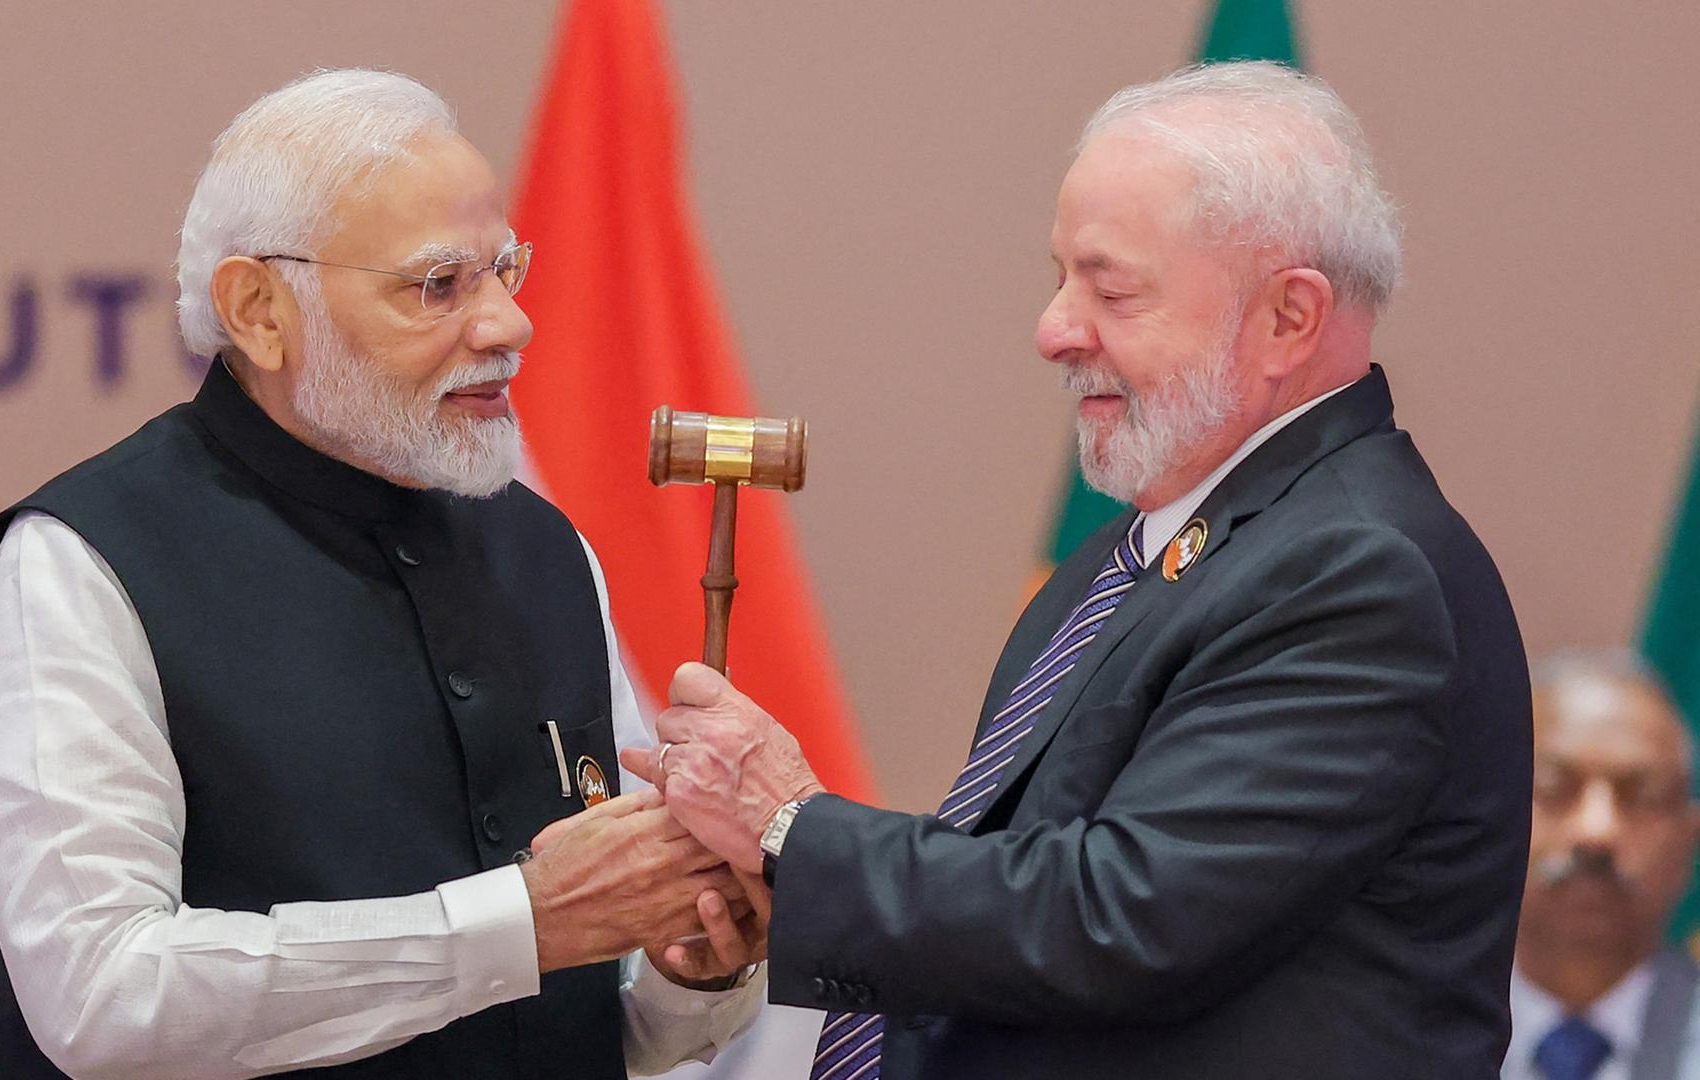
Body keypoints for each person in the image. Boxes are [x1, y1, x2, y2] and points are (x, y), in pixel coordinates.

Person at [632, 61, 1532, 1079]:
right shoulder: (1139, 552)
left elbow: (1121, 920)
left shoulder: (1357, 571)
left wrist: (795, 826)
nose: (1054, 331)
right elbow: (1034, 893)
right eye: (1059, 277)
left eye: (1112, 290)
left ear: (1289, 318)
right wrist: (789, 883)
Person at [0, 69, 765, 1080]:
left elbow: (610, 1023)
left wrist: (694, 968)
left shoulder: (545, 550)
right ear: (258, 310)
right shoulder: (80, 563)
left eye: (507, 269)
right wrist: (520, 924)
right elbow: (103, 1000)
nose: (509, 324)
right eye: (439, 284)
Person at [1506, 651, 1700, 1080]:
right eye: (1553, 787)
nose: (1596, 831)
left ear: (1690, 839)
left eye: (1643, 795)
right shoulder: (1397, 1039)